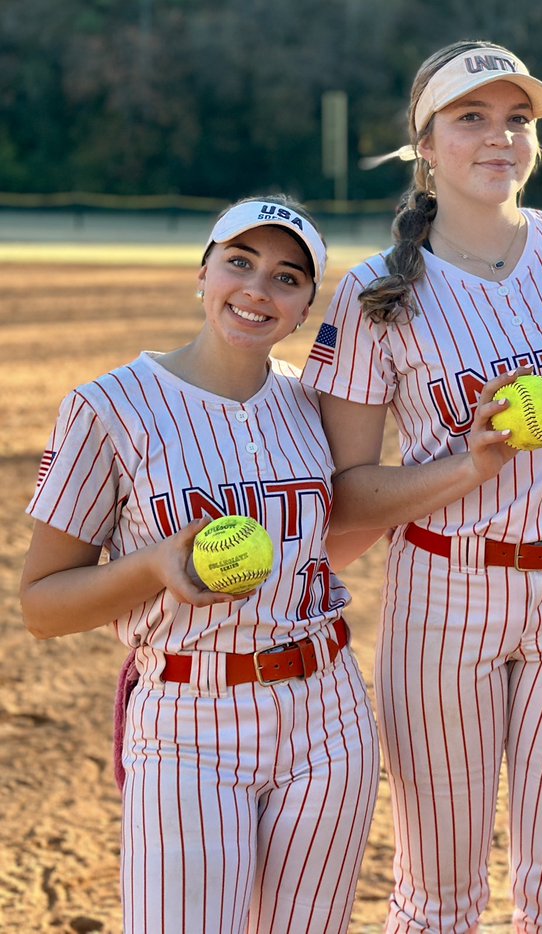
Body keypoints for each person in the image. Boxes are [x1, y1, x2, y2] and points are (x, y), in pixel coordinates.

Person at [300, 40, 542, 932]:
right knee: (439, 890)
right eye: (472, 118)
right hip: (445, 589)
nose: (500, 137)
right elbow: (346, 493)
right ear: (425, 144)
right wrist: (468, 466)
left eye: (517, 119)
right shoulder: (378, 291)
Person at [19, 196, 381, 933]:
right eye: (239, 263)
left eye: (287, 277)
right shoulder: (109, 407)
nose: (257, 289)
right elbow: (42, 606)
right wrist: (152, 565)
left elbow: (336, 530)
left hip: (330, 714)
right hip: (189, 717)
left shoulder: (309, 405)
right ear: (203, 271)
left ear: (308, 303)